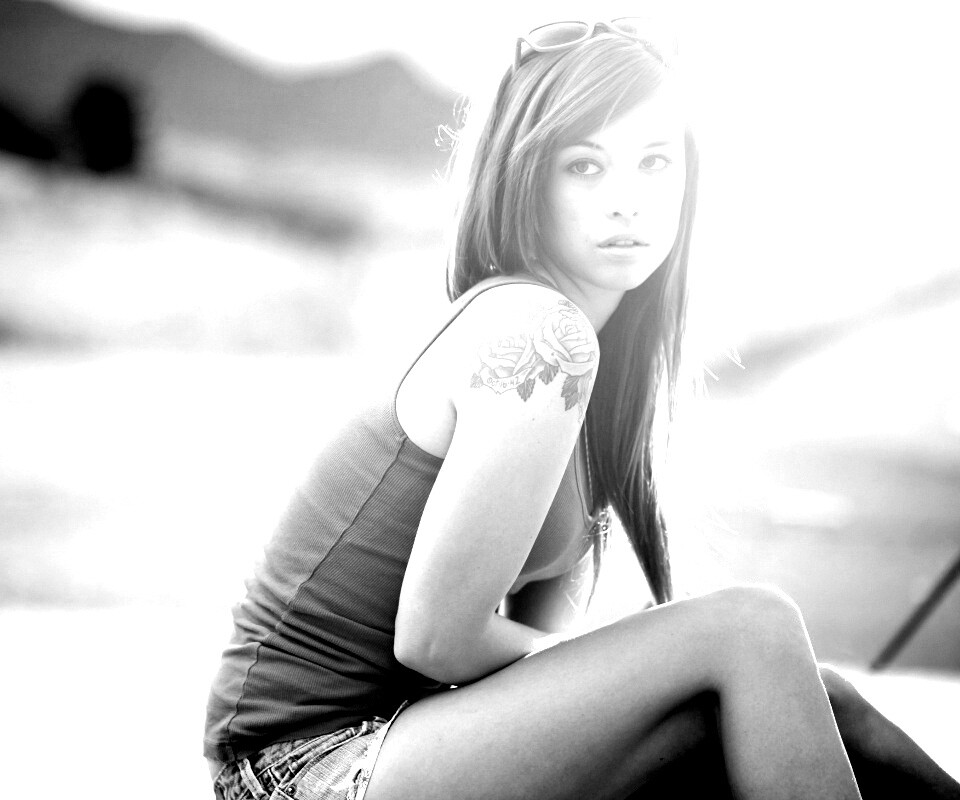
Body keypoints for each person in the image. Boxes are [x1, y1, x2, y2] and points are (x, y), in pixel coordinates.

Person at [204, 18, 960, 800]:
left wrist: (647, 667)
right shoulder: (539, 333)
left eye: (655, 162)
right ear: (528, 180)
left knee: (808, 694)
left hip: (408, 743)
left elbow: (533, 647)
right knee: (750, 630)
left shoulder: (600, 381)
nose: (627, 201)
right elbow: (437, 640)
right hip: (305, 765)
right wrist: (654, 657)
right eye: (585, 166)